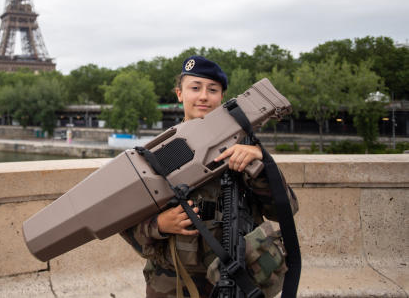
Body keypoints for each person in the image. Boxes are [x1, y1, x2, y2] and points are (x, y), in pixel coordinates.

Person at [120, 55, 298, 298]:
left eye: (212, 89)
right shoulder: (154, 155)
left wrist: (261, 163)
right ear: (179, 93)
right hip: (170, 283)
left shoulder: (242, 144)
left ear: (222, 97)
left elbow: (285, 210)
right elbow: (124, 222)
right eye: (195, 88)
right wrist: (159, 224)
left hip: (238, 279)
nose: (203, 96)